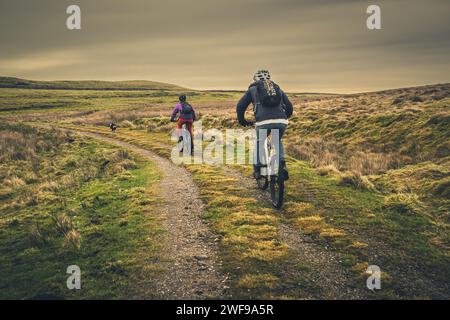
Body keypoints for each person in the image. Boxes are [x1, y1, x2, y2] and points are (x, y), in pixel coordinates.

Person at [236, 69, 293, 180]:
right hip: (281, 121)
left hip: (262, 121)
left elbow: (240, 106)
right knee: (276, 140)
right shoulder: (277, 88)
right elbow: (289, 107)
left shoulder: (252, 89)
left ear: (255, 79)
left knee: (260, 141)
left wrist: (242, 120)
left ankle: (259, 168)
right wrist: (283, 117)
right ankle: (282, 165)